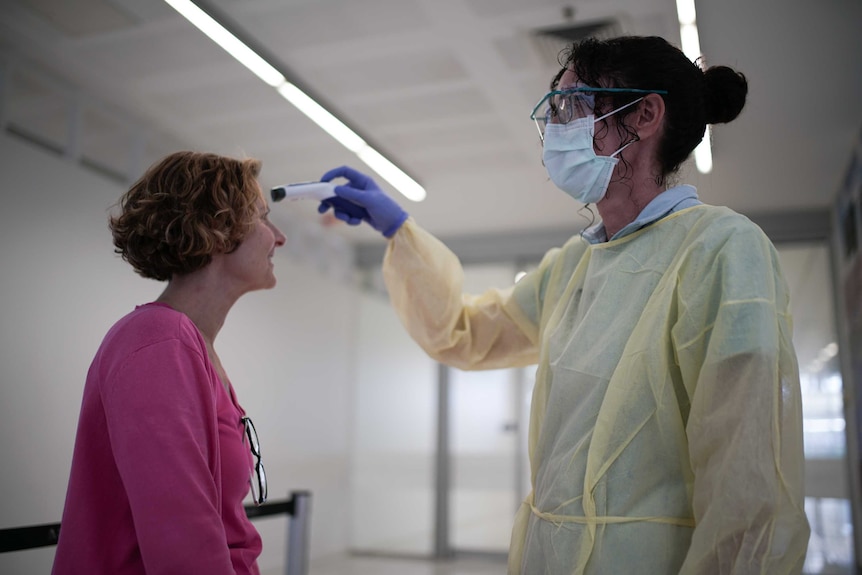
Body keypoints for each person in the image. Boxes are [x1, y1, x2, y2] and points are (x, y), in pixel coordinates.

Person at [317, 36, 810, 574]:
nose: (556, 127)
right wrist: (399, 231)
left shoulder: (721, 249)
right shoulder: (573, 266)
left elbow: (748, 485)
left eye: (573, 105)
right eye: (554, 110)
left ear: (644, 114)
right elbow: (464, 333)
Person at [53, 151, 286, 574]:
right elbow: (184, 549)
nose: (279, 237)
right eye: (263, 218)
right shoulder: (158, 343)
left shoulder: (192, 346)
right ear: (218, 228)